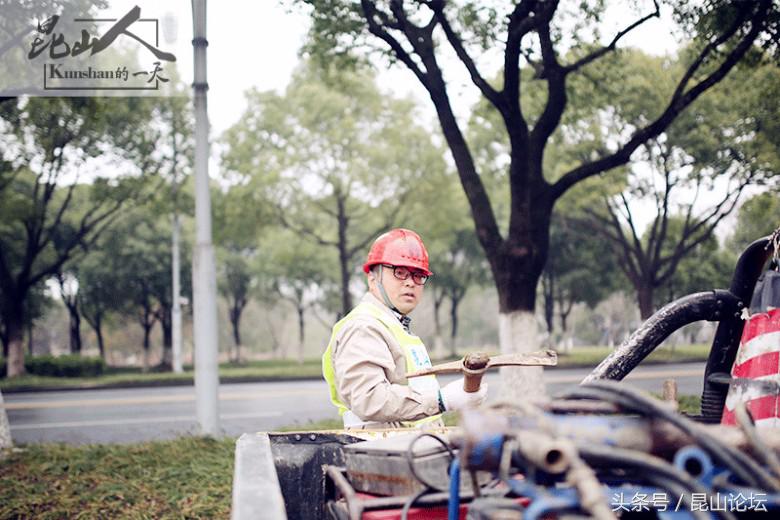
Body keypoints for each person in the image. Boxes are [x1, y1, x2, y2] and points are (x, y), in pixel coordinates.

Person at [322, 228, 487, 429]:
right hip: (379, 452)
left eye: (418, 275)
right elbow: (369, 398)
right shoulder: (363, 327)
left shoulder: (395, 326)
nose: (410, 282)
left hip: (411, 450)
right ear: (373, 278)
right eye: (400, 272)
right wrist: (443, 400)